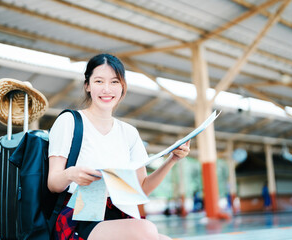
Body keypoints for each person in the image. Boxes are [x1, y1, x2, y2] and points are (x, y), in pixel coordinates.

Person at [48, 53, 190, 240]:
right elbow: (53, 183)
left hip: (122, 212)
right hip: (82, 214)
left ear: (122, 87)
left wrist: (172, 160)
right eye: (99, 81)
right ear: (88, 85)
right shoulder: (70, 121)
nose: (107, 89)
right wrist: (71, 174)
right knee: (146, 231)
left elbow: (142, 189)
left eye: (114, 82)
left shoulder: (129, 133)